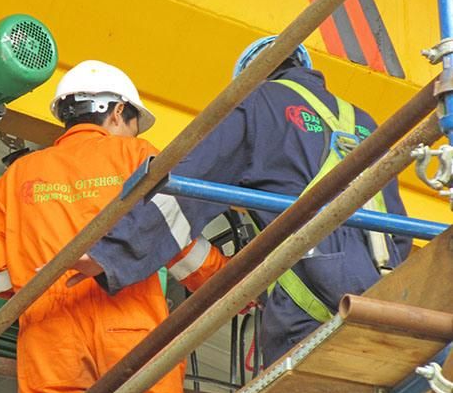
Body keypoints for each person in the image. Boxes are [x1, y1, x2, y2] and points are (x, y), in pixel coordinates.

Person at [80, 37, 412, 367]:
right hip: (383, 299)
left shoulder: (257, 104)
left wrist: (112, 255)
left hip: (308, 306)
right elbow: (399, 232)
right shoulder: (364, 123)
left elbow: (187, 189)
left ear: (251, 78)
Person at [0, 60, 228, 393]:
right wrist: (229, 281)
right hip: (128, 324)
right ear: (117, 112)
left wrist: (46, 289)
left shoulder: (16, 177)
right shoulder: (135, 155)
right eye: (133, 125)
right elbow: (172, 237)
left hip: (49, 338)